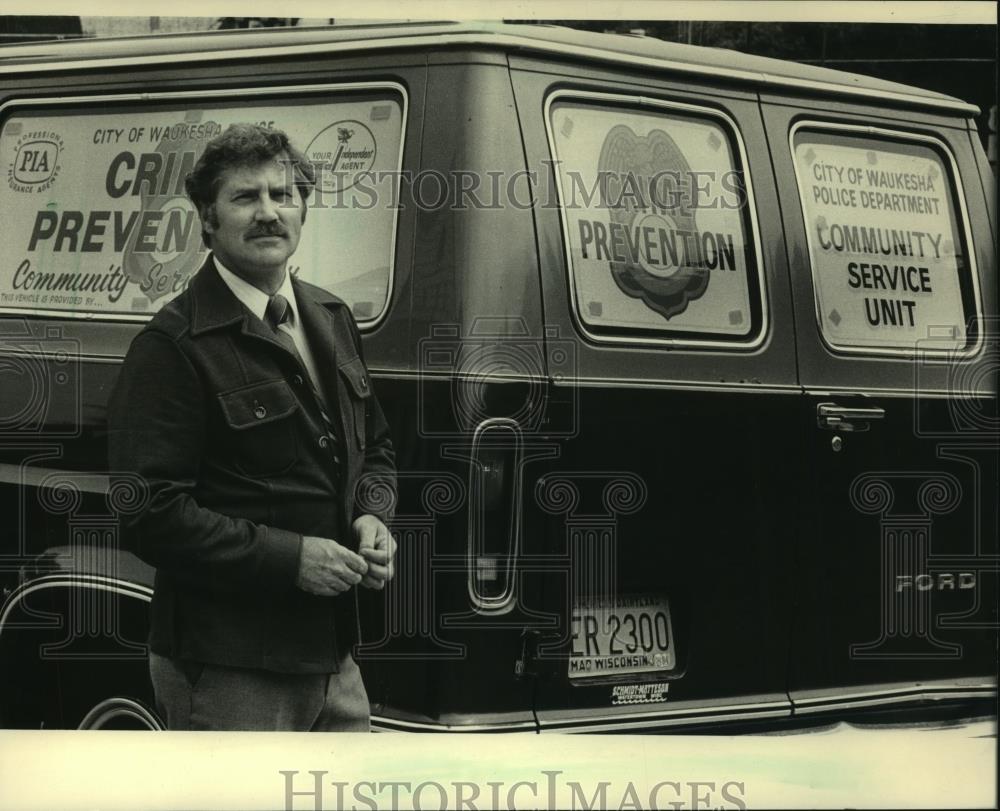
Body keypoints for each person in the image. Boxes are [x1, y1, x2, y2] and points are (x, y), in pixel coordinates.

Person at [107, 123, 396, 731]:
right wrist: (289, 559)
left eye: (282, 195)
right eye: (245, 198)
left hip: (335, 660)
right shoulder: (174, 345)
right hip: (229, 668)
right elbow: (148, 512)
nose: (269, 212)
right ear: (207, 221)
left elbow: (376, 446)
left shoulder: (333, 318)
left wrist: (374, 514)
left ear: (302, 212)